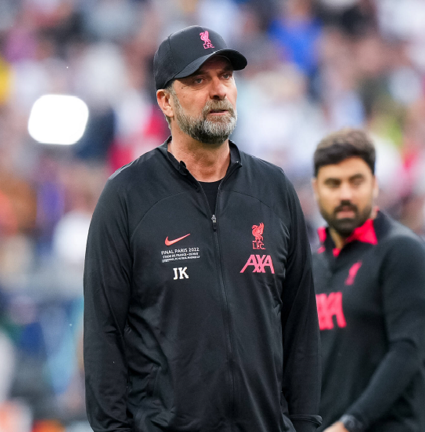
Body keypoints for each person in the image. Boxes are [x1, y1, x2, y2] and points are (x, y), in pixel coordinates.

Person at [83, 26, 321, 432]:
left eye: (225, 76)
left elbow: (301, 330)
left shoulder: (274, 190)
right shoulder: (127, 196)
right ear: (166, 101)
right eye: (198, 80)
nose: (219, 90)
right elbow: (103, 335)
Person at [311, 128, 425, 432]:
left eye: (356, 182)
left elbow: (407, 350)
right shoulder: (312, 263)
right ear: (316, 189)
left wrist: (350, 423)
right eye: (333, 183)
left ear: (375, 184)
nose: (345, 194)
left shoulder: (402, 251)